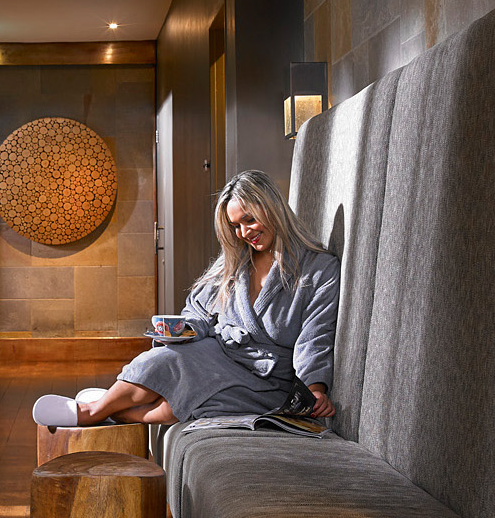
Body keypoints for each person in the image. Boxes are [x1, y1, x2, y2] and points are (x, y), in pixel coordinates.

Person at [31, 169, 339, 428]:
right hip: (220, 355)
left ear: (271, 208)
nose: (244, 233)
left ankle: (115, 411)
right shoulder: (235, 263)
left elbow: (316, 337)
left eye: (249, 220)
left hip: (268, 381)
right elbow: (198, 312)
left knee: (190, 401)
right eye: (235, 226)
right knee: (170, 358)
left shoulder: (317, 269)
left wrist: (313, 390)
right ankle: (92, 411)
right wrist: (181, 331)